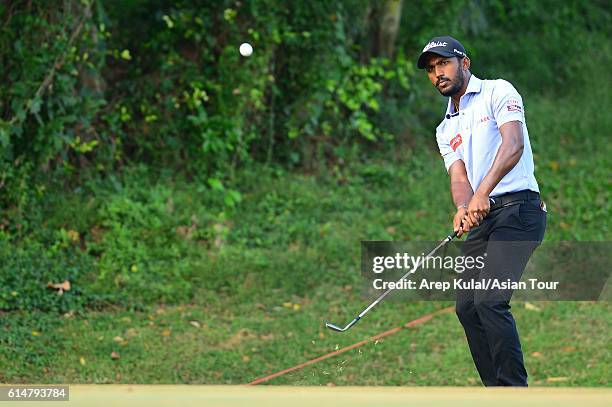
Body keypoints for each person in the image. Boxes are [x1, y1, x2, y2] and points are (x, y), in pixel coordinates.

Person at [416, 36, 547, 386]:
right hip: (486, 219)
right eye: (431, 69)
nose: (437, 73)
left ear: (465, 62)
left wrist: (482, 192)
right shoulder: (445, 128)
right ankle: (496, 391)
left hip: (520, 211)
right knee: (468, 308)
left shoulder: (497, 91)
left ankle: (513, 394)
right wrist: (463, 205)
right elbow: (459, 175)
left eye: (443, 63)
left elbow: (513, 144)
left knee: (489, 300)